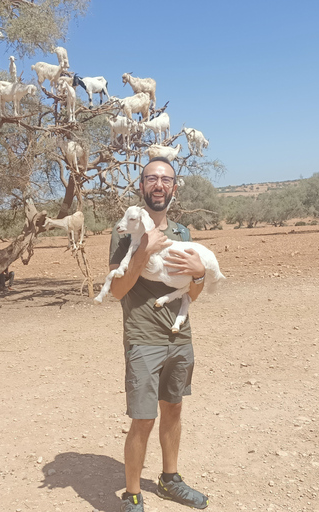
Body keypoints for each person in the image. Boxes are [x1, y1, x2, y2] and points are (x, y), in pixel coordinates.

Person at [108, 157, 209, 511]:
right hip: (143, 338)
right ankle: (133, 495)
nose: (159, 185)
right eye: (151, 178)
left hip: (179, 338)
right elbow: (117, 291)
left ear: (174, 188)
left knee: (174, 409)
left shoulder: (182, 234)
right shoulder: (126, 232)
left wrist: (198, 275)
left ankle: (170, 480)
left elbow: (191, 295)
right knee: (143, 418)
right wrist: (142, 253)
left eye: (166, 179)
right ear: (142, 187)